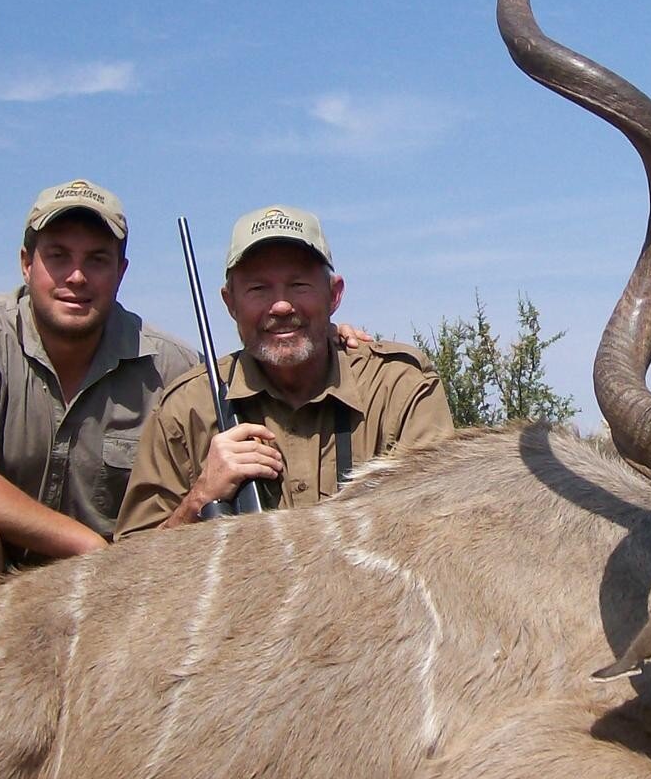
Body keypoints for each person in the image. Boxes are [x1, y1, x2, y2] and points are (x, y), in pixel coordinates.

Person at [0, 179, 199, 620]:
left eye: (97, 260)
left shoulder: (170, 364)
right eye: (58, 257)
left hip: (107, 585)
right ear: (26, 264)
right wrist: (91, 547)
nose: (76, 277)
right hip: (17, 562)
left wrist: (331, 345)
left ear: (121, 271)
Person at [115, 204, 452, 535]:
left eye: (299, 285)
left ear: (334, 295)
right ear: (229, 302)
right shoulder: (187, 407)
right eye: (258, 289)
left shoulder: (398, 388)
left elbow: (443, 527)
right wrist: (200, 498)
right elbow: (128, 569)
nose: (280, 305)